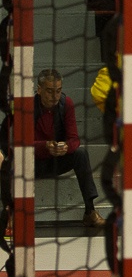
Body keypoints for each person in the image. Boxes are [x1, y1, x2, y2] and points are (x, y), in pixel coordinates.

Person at [34, 69, 105, 228]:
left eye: (58, 91)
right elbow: (22, 144)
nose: (54, 96)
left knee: (80, 154)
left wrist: (66, 147)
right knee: (12, 159)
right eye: (49, 91)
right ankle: (11, 212)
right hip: (33, 163)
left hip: (56, 160)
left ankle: (90, 211)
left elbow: (74, 139)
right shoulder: (28, 107)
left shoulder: (66, 104)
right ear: (39, 90)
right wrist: (45, 146)